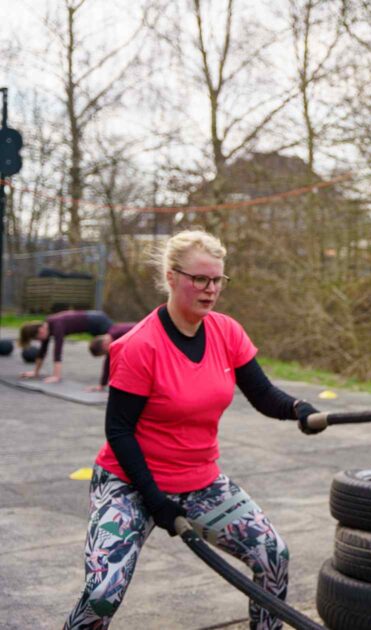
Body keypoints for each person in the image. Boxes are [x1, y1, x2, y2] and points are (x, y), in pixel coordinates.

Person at [64, 229, 324, 630]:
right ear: (172, 277)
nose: (211, 289)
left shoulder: (226, 332)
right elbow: (119, 431)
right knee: (102, 594)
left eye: (218, 280)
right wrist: (155, 500)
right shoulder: (140, 345)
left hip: (200, 481)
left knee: (273, 555)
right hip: (130, 484)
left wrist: (297, 409)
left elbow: (261, 393)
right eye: (200, 279)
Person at [19, 309, 114, 383]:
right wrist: (35, 372)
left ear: (41, 330)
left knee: (113, 348)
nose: (40, 341)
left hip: (98, 321)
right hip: (93, 320)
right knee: (111, 349)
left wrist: (56, 376)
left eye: (37, 338)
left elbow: (58, 351)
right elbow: (42, 351)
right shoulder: (47, 325)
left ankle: (116, 376)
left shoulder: (57, 325)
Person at [86, 322, 137, 391]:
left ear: (104, 345)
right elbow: (108, 363)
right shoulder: (112, 334)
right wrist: (102, 384)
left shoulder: (120, 336)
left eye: (104, 352)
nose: (107, 354)